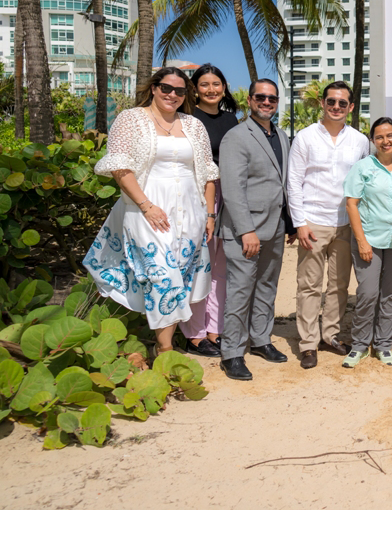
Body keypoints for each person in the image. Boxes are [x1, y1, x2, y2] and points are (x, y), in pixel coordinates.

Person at [85, 67, 218, 359]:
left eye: (180, 91)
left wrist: (209, 215)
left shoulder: (194, 125)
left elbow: (208, 174)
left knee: (179, 277)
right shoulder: (131, 119)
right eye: (167, 88)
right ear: (154, 88)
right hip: (145, 208)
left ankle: (163, 345)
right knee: (163, 275)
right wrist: (146, 205)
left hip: (189, 212)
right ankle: (167, 349)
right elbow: (120, 167)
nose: (173, 95)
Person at [288, 81, 370, 370]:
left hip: (345, 224)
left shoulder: (360, 141)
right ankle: (308, 343)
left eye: (342, 103)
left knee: (339, 285)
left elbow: (363, 183)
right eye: (331, 102)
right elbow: (294, 183)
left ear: (350, 107)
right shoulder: (305, 137)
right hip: (313, 222)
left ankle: (330, 335)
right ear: (322, 103)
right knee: (309, 286)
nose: (337, 107)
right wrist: (300, 223)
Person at [218, 79, 294, 381]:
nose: (266, 102)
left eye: (272, 98)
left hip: (274, 226)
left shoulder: (282, 135)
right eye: (260, 97)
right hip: (245, 230)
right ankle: (232, 353)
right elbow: (233, 188)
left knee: (267, 287)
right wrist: (246, 230)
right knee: (240, 291)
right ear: (249, 101)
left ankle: (261, 339)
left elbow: (281, 184)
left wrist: (287, 222)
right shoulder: (236, 137)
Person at [342, 117, 392, 368]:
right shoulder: (362, 167)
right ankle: (360, 345)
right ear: (372, 140)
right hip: (369, 240)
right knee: (367, 293)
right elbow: (351, 204)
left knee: (391, 295)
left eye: (390, 136)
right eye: (380, 137)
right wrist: (361, 241)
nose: (386, 141)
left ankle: (383, 344)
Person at [178, 64, 237, 357]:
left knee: (221, 270)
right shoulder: (188, 120)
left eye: (216, 84)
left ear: (224, 87)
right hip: (201, 198)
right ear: (195, 88)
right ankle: (194, 334)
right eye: (205, 84)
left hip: (230, 199)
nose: (211, 89)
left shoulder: (231, 120)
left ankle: (216, 329)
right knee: (199, 267)